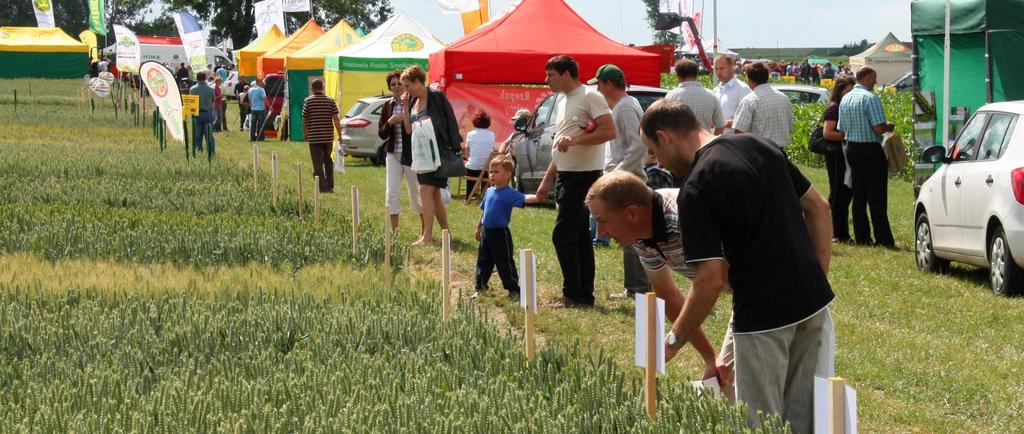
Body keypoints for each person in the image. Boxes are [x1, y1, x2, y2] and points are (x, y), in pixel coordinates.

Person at [640, 99, 835, 433]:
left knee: (761, 422)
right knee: (804, 418)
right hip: (813, 302)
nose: (656, 160)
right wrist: (816, 277)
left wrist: (673, 342)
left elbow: (709, 280)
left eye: (652, 150)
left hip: (761, 316)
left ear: (665, 136)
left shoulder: (696, 187)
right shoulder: (758, 144)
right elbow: (819, 208)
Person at [586, 170, 726, 381]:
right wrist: (709, 357)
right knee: (728, 378)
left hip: (771, 283)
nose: (600, 233)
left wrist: (674, 341)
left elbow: (711, 281)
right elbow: (667, 294)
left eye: (603, 221)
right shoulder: (640, 235)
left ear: (632, 213)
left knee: (747, 386)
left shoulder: (682, 218)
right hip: (748, 291)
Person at [535, 55, 616, 308]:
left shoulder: (591, 96)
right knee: (579, 237)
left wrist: (577, 140)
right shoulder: (563, 101)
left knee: (563, 235)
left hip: (584, 177)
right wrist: (547, 180)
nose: (546, 80)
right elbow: (562, 143)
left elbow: (609, 131)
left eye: (551, 75)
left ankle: (572, 294)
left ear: (567, 74)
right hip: (567, 175)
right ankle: (582, 296)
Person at [589, 63, 650, 297]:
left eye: (600, 85)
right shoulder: (627, 104)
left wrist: (618, 175)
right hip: (625, 176)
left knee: (630, 235)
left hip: (626, 179)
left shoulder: (624, 107)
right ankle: (636, 287)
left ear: (610, 84)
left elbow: (638, 146)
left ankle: (638, 288)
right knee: (631, 236)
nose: (598, 90)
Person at [402, 64, 462, 246]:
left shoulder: (436, 96)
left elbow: (450, 119)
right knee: (433, 195)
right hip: (421, 155)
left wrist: (455, 145)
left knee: (426, 190)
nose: (406, 90)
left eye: (407, 85)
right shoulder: (412, 102)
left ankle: (427, 237)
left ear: (417, 81)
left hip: (437, 153)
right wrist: (405, 107)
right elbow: (408, 129)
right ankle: (446, 233)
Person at [837, 66, 896, 248]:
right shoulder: (870, 98)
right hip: (870, 149)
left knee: (859, 194)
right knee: (877, 196)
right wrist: (889, 126)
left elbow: (842, 128)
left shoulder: (845, 99)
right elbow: (878, 128)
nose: (876, 82)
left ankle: (862, 237)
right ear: (868, 78)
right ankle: (883, 238)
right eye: (875, 78)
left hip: (852, 148)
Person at [473, 155, 541, 299]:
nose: (492, 175)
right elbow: (484, 211)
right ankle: (480, 287)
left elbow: (524, 198)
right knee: (483, 260)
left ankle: (513, 289)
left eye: (496, 172)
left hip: (500, 234)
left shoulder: (509, 193)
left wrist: (538, 197)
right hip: (486, 232)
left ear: (508, 175)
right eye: (491, 172)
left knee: (504, 262)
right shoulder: (490, 191)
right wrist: (479, 227)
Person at [378, 70, 424, 234]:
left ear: (405, 85)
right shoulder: (387, 105)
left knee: (416, 191)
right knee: (392, 192)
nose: (397, 87)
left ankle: (424, 230)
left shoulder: (414, 102)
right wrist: (389, 122)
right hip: (393, 154)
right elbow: (381, 133)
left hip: (411, 156)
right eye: (393, 84)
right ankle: (394, 230)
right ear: (389, 88)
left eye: (399, 83)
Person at [822, 76, 857, 243]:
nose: (850, 94)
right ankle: (836, 233)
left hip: (844, 154)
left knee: (845, 194)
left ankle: (842, 232)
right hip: (836, 155)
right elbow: (827, 132)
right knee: (837, 194)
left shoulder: (844, 106)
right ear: (840, 90)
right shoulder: (834, 108)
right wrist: (847, 135)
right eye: (848, 91)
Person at [732, 62, 794, 148]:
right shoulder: (784, 98)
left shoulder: (750, 100)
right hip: (780, 153)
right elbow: (789, 127)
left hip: (759, 152)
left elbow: (739, 132)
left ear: (750, 80)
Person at [302, 79, 342, 193]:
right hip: (328, 137)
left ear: (312, 88)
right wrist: (340, 135)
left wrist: (305, 132)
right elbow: (336, 119)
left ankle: (322, 187)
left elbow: (304, 119)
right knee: (328, 161)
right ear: (323, 87)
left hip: (314, 137)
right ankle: (330, 186)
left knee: (317, 163)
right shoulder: (330, 101)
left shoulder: (308, 101)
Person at [666, 59, 725, 134]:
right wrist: (712, 142)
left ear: (678, 76)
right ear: (696, 74)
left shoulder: (671, 96)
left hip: (681, 143)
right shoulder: (711, 95)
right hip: (706, 143)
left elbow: (665, 125)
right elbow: (720, 125)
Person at [711, 55, 751, 134]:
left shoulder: (742, 89)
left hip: (732, 141)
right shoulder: (716, 90)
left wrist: (721, 123)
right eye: (716, 68)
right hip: (716, 140)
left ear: (731, 67)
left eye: (722, 68)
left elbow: (746, 120)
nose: (718, 72)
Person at [464, 112, 497, 197]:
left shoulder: (470, 134)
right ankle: (485, 194)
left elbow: (467, 153)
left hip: (473, 168)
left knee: (470, 165)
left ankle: (470, 194)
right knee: (486, 168)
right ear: (488, 123)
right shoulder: (492, 134)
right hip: (487, 168)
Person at [188, 71, 216, 155]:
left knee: (197, 135)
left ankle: (198, 152)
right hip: (208, 113)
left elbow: (190, 103)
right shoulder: (211, 89)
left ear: (197, 78)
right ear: (205, 78)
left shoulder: (193, 89)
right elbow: (213, 100)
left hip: (197, 113)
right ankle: (211, 152)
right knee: (209, 135)